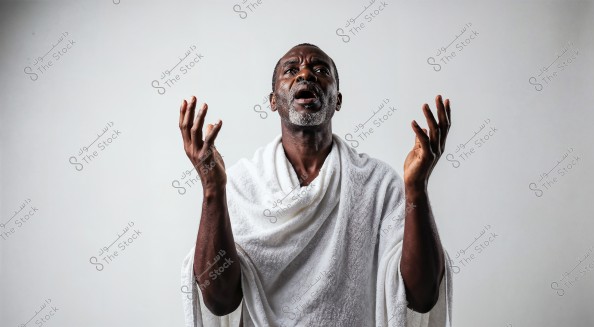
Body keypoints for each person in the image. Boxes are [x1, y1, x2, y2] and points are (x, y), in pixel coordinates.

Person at [180, 43, 453, 326]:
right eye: (291, 70)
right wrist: (211, 187)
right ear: (273, 101)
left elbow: (423, 296)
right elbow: (219, 300)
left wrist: (418, 187)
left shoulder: (378, 184)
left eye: (320, 70)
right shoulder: (243, 185)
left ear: (337, 100)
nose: (306, 74)